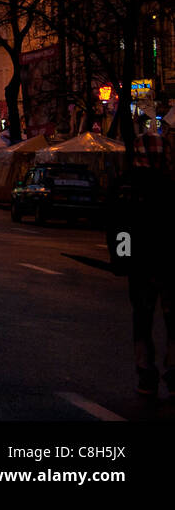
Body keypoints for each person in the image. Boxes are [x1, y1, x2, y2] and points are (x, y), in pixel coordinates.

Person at [107, 162, 175, 395]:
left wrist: (122, 258)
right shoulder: (168, 182)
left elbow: (120, 227)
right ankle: (172, 373)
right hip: (167, 263)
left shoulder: (126, 185)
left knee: (143, 321)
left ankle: (146, 373)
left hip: (141, 264)